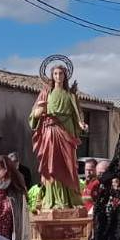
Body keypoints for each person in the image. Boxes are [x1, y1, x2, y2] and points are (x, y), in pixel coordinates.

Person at [30, 63, 87, 209]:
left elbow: (77, 115)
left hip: (67, 131)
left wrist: (81, 124)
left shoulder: (70, 95)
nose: (58, 76)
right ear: (52, 76)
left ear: (65, 76)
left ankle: (71, 200)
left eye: (60, 74)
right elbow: (34, 115)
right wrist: (39, 112)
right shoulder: (45, 93)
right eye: (55, 74)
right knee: (52, 164)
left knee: (69, 165)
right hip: (50, 131)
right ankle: (52, 200)